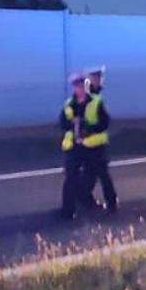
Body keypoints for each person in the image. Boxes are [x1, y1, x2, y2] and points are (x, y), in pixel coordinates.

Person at [57, 72, 115, 219]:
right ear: (74, 88)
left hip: (94, 145)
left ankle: (111, 204)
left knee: (101, 175)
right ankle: (68, 211)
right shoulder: (69, 104)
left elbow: (104, 123)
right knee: (71, 178)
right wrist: (73, 125)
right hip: (73, 146)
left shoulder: (96, 101)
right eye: (77, 86)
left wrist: (88, 129)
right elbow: (62, 123)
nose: (80, 89)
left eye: (82, 86)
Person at [81, 65, 115, 208]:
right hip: (91, 143)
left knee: (93, 174)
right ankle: (110, 203)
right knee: (98, 174)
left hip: (93, 142)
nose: (100, 80)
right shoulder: (91, 99)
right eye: (96, 77)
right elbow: (104, 122)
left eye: (100, 77)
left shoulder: (93, 97)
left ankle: (88, 200)